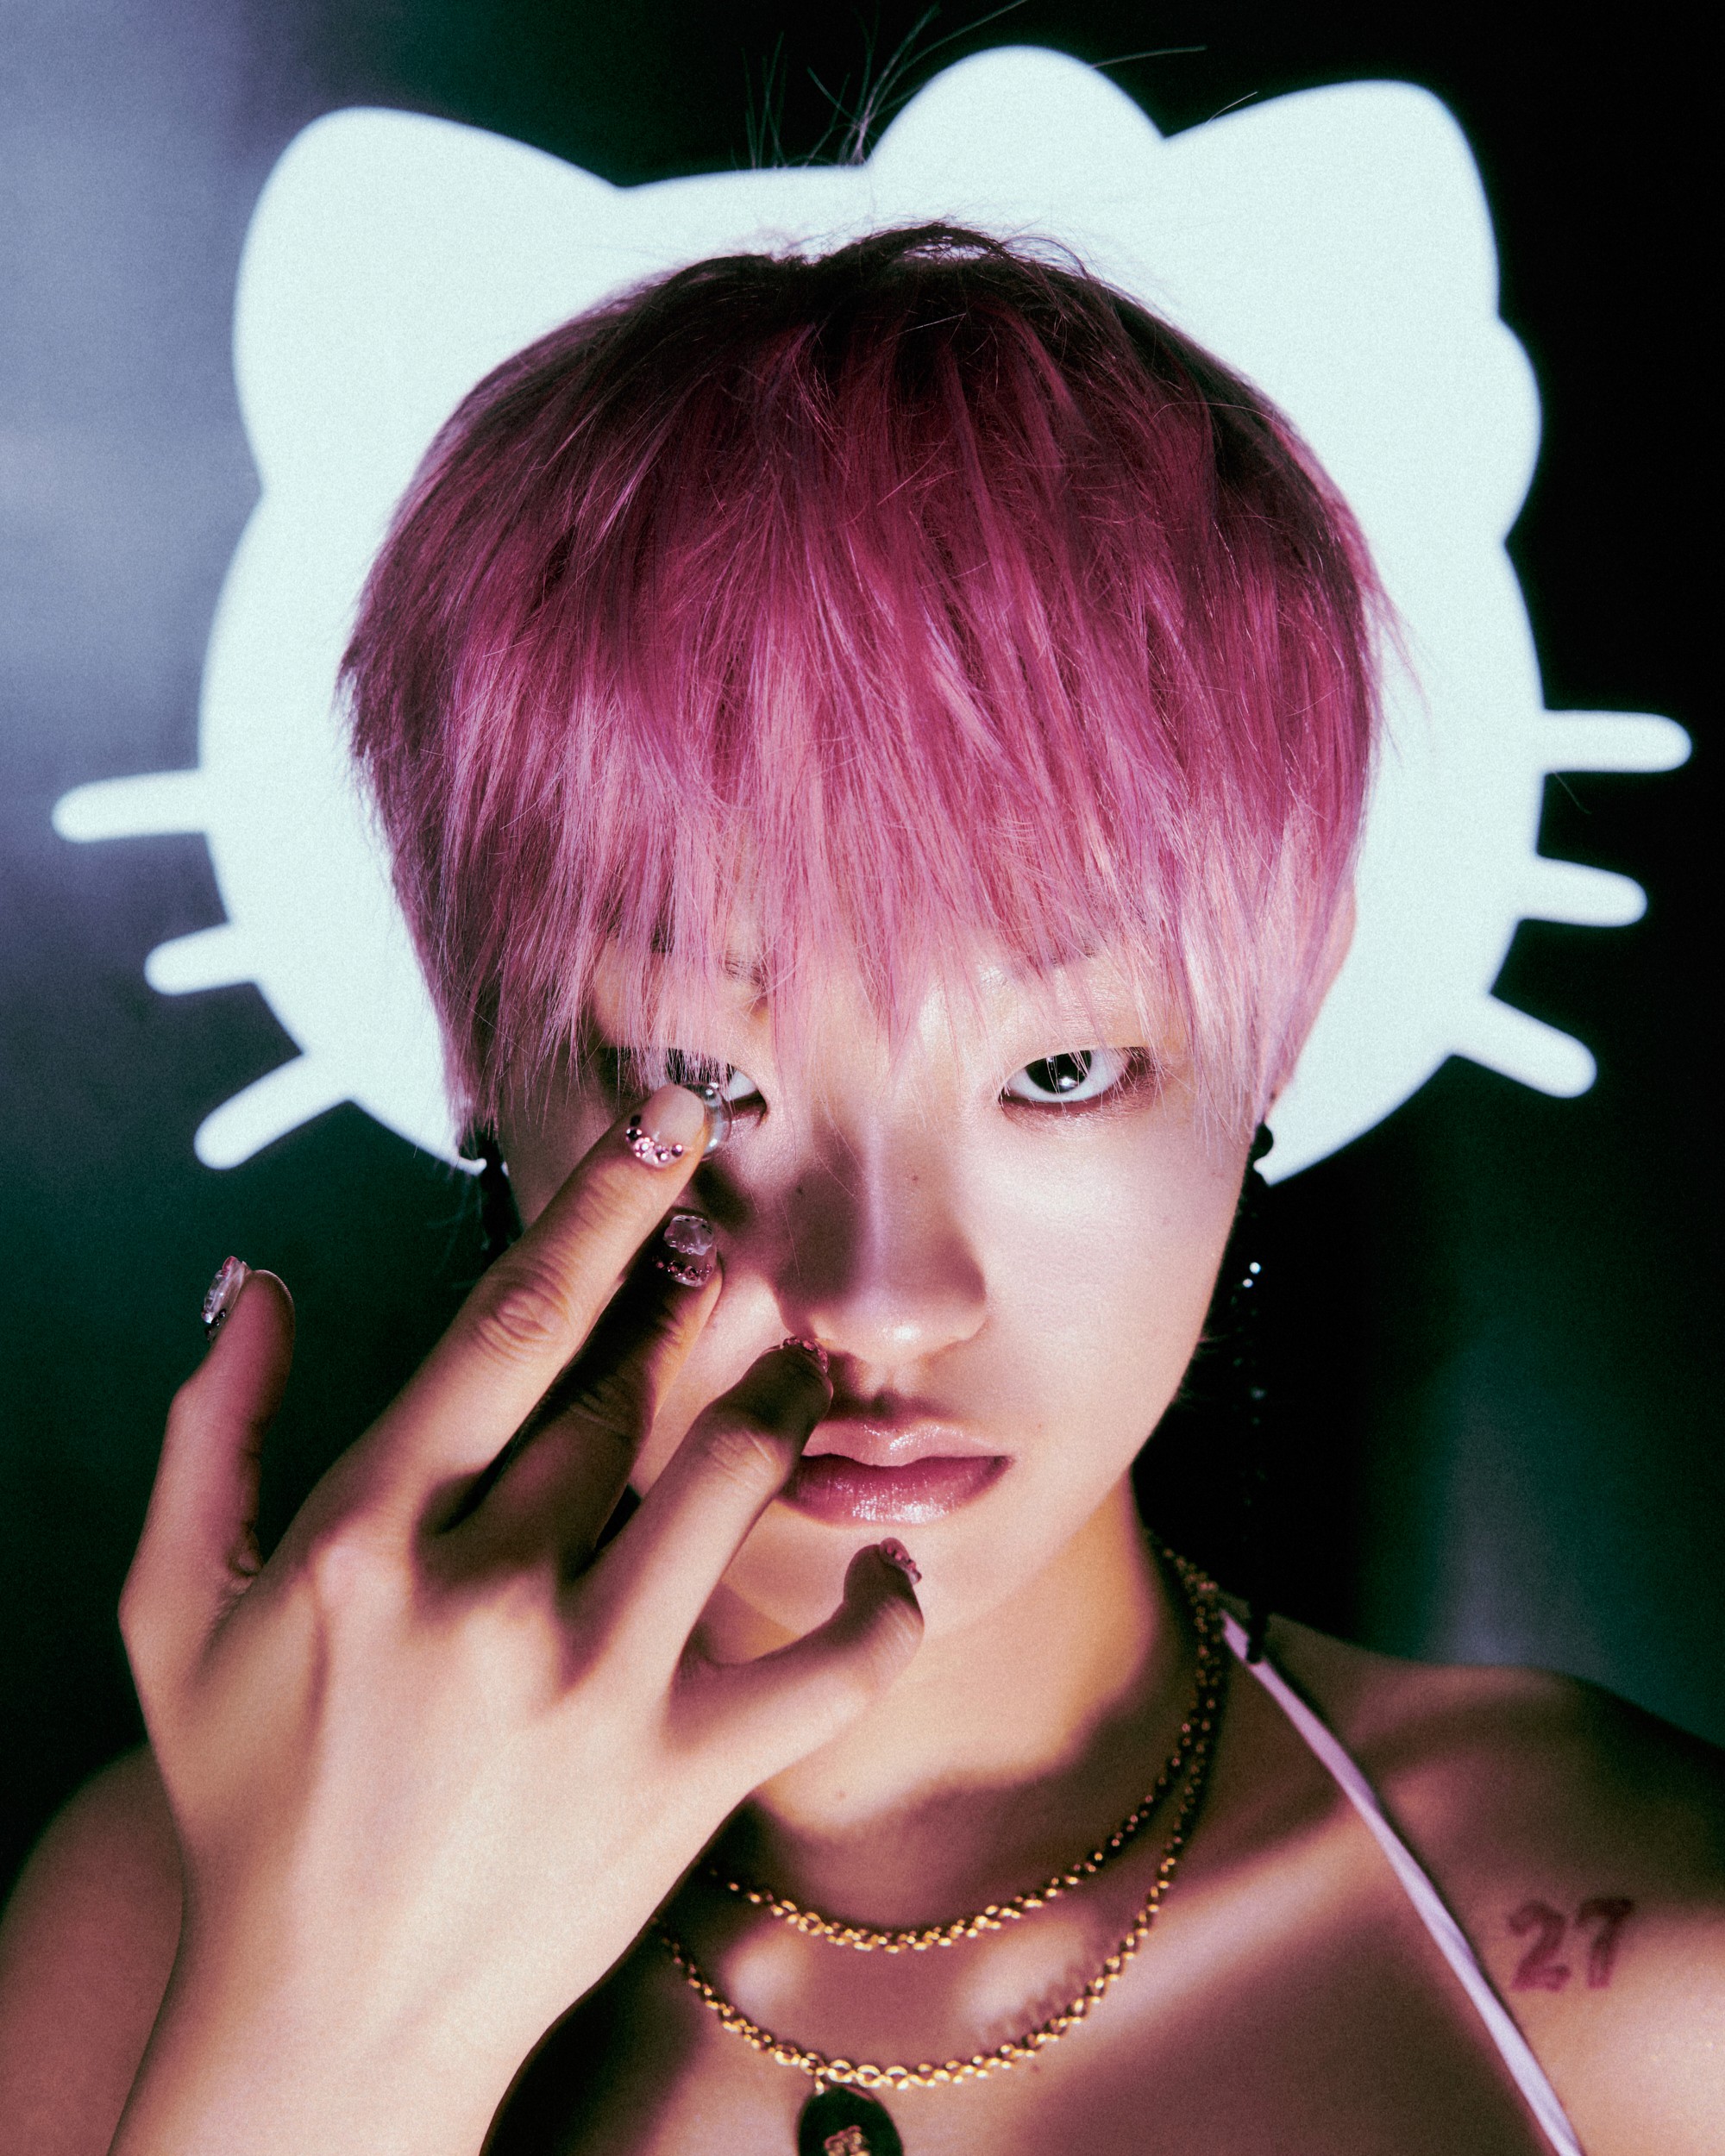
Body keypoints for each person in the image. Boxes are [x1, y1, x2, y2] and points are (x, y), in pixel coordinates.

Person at [0, 226, 1718, 2156]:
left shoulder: (1637, 1978)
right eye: (702, 1078)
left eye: (1058, 1070)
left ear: (1282, 1031)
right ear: (474, 1037)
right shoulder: (165, 1935)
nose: (882, 1297)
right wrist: (321, 2041)